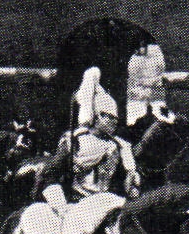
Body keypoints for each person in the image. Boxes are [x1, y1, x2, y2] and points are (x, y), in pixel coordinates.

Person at [41, 67, 140, 215]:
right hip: (77, 206)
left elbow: (123, 180)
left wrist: (132, 188)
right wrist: (60, 205)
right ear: (96, 116)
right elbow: (50, 175)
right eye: (109, 116)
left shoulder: (119, 146)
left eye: (116, 118)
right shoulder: (74, 142)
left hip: (107, 206)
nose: (114, 121)